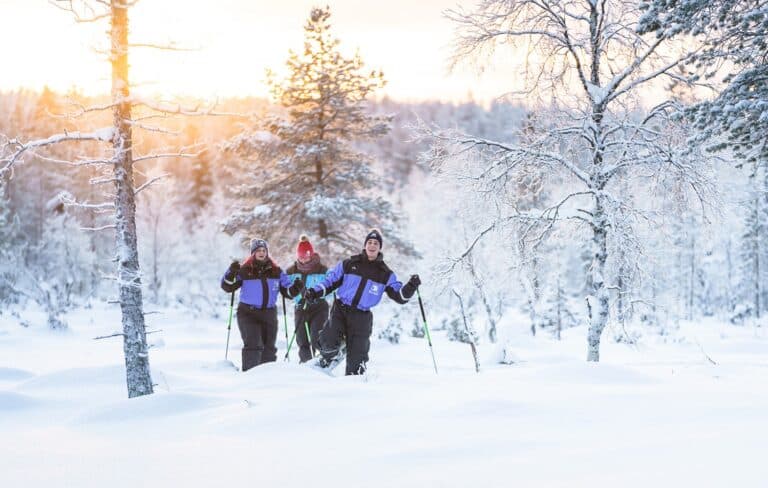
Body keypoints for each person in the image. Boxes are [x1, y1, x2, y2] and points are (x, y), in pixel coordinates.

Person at [305, 228, 421, 375]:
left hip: (362, 317)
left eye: (376, 243)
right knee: (328, 341)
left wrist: (411, 286)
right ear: (365, 245)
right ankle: (329, 357)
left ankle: (354, 384)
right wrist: (313, 292)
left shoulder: (385, 273)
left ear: (379, 248)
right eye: (370, 242)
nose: (372, 245)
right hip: (341, 309)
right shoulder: (349, 264)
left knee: (357, 364)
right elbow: (330, 282)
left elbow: (400, 296)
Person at [221, 238, 303, 371]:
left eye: (264, 250)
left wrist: (296, 288)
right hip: (248, 313)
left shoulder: (276, 271)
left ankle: (267, 379)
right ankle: (250, 375)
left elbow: (288, 291)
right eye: (258, 250)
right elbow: (227, 286)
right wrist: (231, 272)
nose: (261, 253)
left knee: (269, 347)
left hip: (269, 313)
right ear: (253, 253)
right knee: (253, 344)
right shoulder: (244, 270)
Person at [285, 235, 330, 363]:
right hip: (301, 307)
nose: (303, 260)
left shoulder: (322, 270)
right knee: (302, 339)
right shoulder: (291, 271)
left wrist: (318, 294)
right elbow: (285, 289)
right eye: (301, 256)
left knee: (317, 336)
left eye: (306, 256)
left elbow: (331, 288)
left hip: (318, 307)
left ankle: (322, 362)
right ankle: (305, 364)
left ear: (311, 255)